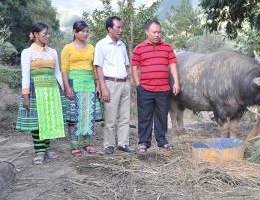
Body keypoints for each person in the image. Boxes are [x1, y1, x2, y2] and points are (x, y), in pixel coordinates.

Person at [16, 21, 66, 165]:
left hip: (51, 90)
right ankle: (39, 151)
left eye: (48, 33)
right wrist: (26, 95)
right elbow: (25, 74)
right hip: (35, 90)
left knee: (49, 120)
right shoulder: (28, 52)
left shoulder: (53, 52)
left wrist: (62, 90)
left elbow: (57, 72)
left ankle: (46, 149)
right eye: (45, 34)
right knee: (37, 122)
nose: (48, 36)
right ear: (36, 35)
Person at [131, 19, 180, 153]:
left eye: (159, 32)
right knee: (144, 116)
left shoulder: (167, 47)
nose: (157, 35)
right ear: (147, 32)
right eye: (154, 32)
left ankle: (162, 140)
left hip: (163, 89)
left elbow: (172, 65)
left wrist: (176, 82)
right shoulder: (139, 48)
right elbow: (134, 67)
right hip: (145, 89)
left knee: (161, 116)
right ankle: (144, 142)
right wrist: (138, 84)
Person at [61, 20, 103, 156]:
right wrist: (67, 87)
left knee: (88, 114)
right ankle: (74, 145)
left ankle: (87, 144)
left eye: (86, 31)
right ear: (74, 32)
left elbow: (95, 67)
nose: (85, 34)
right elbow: (64, 70)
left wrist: (97, 83)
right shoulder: (67, 48)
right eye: (82, 31)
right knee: (74, 116)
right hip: (74, 84)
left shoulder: (92, 48)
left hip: (89, 84)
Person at [93, 16, 134, 155]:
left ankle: (123, 143)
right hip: (110, 84)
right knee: (110, 117)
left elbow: (126, 64)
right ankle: (109, 145)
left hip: (124, 83)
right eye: (118, 27)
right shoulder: (101, 45)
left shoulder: (121, 45)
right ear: (109, 28)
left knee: (125, 116)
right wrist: (103, 87)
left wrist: (128, 81)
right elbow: (98, 67)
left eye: (122, 27)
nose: (121, 30)